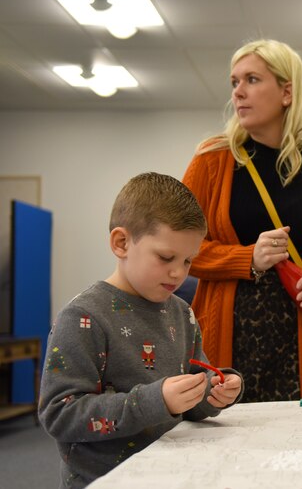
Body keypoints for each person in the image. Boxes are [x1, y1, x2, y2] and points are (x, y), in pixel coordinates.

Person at [182, 39, 302, 402]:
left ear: (287, 92)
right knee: (226, 447)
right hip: (229, 339)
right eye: (234, 82)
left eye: (252, 79)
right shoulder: (211, 161)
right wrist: (247, 258)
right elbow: (181, 249)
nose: (239, 92)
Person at [38, 172, 244, 489]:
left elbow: (189, 396)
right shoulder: (83, 317)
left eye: (188, 260)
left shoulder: (182, 313)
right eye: (165, 257)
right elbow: (59, 415)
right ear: (121, 243)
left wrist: (214, 392)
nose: (178, 272)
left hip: (172, 474)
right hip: (106, 480)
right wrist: (154, 400)